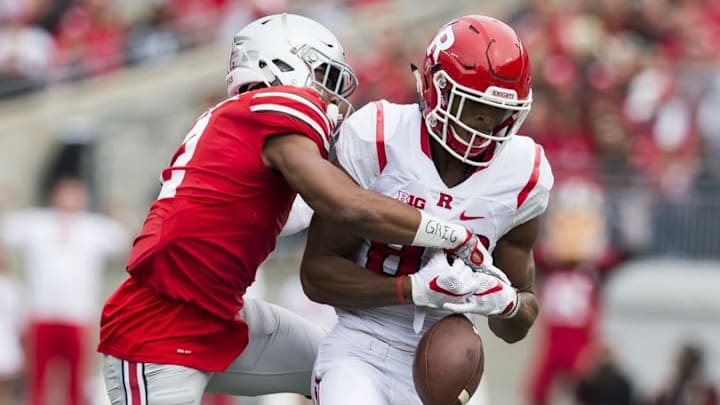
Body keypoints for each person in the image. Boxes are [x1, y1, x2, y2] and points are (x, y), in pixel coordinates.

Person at [97, 13, 490, 405]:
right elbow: (346, 205)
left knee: (343, 367)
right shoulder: (277, 106)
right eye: (326, 78)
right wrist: (452, 234)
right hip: (157, 331)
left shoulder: (245, 135)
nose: (334, 99)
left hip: (218, 318)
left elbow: (322, 211)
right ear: (280, 65)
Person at [299, 15, 554, 404]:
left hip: (450, 356)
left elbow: (517, 322)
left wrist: (506, 303)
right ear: (436, 89)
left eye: (501, 112)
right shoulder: (379, 136)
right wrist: (413, 290)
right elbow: (317, 276)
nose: (487, 125)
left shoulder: (524, 173)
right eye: (474, 107)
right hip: (363, 343)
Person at [0, 177, 129, 405]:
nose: (69, 200)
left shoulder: (93, 227)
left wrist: (118, 212)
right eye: (65, 194)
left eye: (75, 195)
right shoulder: (37, 222)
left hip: (77, 313)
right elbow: (6, 230)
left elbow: (123, 244)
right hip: (42, 310)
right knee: (38, 376)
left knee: (75, 379)